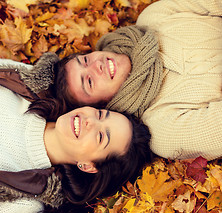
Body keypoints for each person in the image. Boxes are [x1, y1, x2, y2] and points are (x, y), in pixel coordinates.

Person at [0, 45, 152, 213]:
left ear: (87, 166)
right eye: (101, 115)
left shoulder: (27, 199)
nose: (90, 121)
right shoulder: (30, 87)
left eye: (101, 136)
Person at [56, 0, 222, 161]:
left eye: (85, 61)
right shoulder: (163, 128)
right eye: (90, 82)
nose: (96, 66)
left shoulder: (152, 18)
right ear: (101, 105)